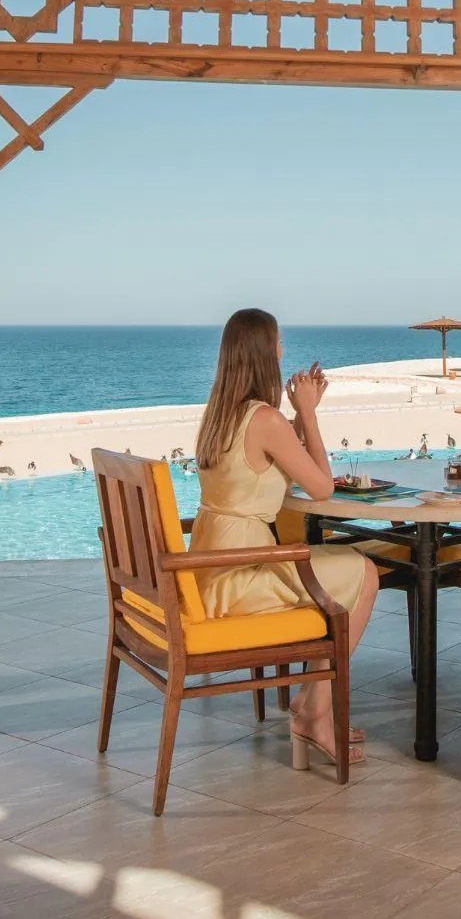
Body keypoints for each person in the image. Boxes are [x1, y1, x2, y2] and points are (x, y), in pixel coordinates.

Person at [193, 308, 379, 769]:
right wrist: (309, 416)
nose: (283, 351)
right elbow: (322, 487)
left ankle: (309, 705)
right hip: (243, 571)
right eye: (278, 343)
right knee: (365, 573)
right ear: (263, 353)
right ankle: (316, 710)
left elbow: (273, 460)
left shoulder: (220, 415)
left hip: (207, 568)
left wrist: (298, 417)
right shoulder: (266, 420)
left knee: (337, 578)